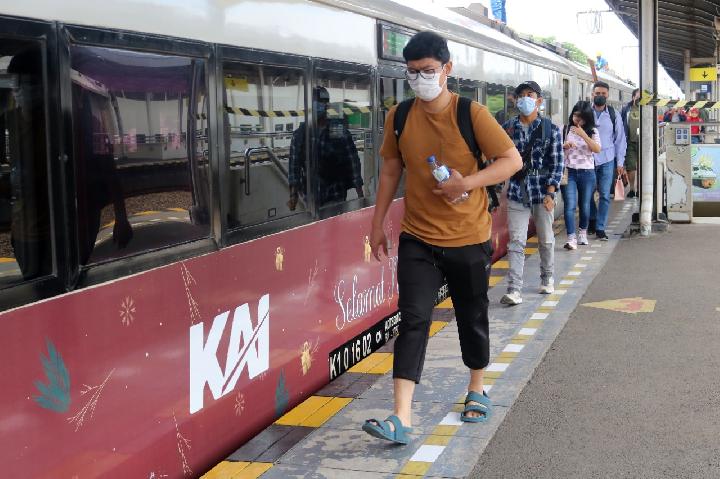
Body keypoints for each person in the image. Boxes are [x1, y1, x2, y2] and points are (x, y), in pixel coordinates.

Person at [362, 31, 521, 444]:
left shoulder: (472, 114)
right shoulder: (398, 116)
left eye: (428, 71)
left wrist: (466, 181)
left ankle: (476, 387)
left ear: (447, 69)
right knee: (412, 319)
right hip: (418, 237)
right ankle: (401, 417)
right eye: (412, 73)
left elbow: (511, 160)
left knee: (472, 315)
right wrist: (377, 223)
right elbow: (391, 171)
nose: (420, 79)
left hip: (468, 237)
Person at [499, 81, 563, 305]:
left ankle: (547, 278)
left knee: (545, 239)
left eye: (530, 94)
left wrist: (551, 192)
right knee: (516, 241)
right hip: (517, 190)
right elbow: (500, 159)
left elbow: (557, 164)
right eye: (521, 95)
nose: (525, 98)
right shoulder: (507, 128)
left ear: (539, 100)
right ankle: (514, 289)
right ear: (516, 100)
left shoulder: (550, 129)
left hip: (542, 191)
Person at [288, 86, 364, 210]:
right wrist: (293, 195)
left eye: (322, 102)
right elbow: (294, 166)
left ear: (327, 106)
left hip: (335, 194)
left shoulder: (336, 130)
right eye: (315, 102)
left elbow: (352, 159)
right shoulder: (301, 134)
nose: (318, 106)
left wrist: (360, 192)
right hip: (310, 197)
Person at [587, 81, 626, 240]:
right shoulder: (585, 112)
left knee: (604, 194)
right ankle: (592, 218)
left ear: (608, 95)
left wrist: (620, 163)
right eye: (597, 94)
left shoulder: (613, 114)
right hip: (587, 159)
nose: (600, 96)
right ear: (592, 94)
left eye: (603, 94)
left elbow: (620, 139)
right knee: (587, 194)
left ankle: (600, 227)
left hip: (607, 159)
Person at [561, 101, 600, 250]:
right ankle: (571, 238)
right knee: (569, 206)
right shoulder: (564, 129)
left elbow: (597, 149)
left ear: (587, 118)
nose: (578, 120)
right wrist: (564, 145)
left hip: (587, 173)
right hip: (569, 172)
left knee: (584, 205)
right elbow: (554, 147)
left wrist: (583, 135)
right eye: (576, 115)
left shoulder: (593, 131)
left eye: (582, 117)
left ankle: (582, 232)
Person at [621, 88, 640, 197]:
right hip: (630, 142)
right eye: (637, 97)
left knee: (643, 166)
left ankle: (640, 189)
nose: (639, 100)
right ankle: (632, 189)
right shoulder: (626, 109)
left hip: (644, 143)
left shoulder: (648, 109)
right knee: (631, 166)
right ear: (633, 97)